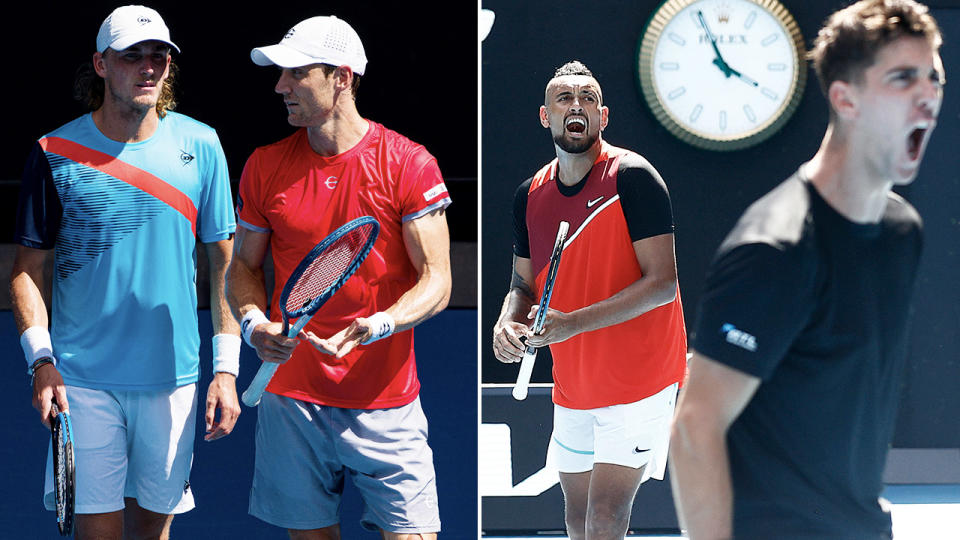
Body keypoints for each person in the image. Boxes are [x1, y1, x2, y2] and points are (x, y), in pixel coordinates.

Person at [669, 1, 944, 539]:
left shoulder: (901, 233)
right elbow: (694, 429)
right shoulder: (776, 249)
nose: (928, 96)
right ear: (846, 99)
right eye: (903, 78)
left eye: (934, 77)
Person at [9, 5, 241, 539]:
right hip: (81, 380)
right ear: (100, 64)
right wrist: (40, 361)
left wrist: (225, 369)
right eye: (131, 56)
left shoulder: (202, 146)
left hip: (173, 378)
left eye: (158, 56)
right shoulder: (53, 153)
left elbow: (226, 263)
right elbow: (27, 272)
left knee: (153, 534)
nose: (148, 67)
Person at [225, 15, 451, 539]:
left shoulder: (409, 164)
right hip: (293, 404)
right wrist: (256, 323)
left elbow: (438, 280)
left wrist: (378, 325)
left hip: (386, 404)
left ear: (341, 77)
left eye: (296, 73)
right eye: (280, 74)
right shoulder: (263, 165)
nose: (280, 86)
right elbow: (243, 266)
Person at [492, 60, 687, 540]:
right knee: (577, 521)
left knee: (605, 516)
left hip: (641, 378)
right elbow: (523, 286)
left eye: (587, 99)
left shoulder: (633, 177)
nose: (576, 106)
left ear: (603, 116)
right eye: (564, 98)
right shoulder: (529, 195)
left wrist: (571, 324)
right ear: (546, 116)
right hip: (575, 382)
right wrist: (507, 324)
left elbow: (663, 283)